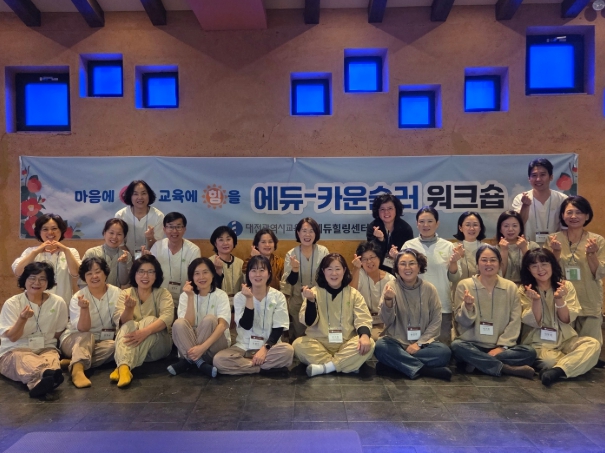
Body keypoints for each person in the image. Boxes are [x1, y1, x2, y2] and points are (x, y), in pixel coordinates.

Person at [451, 245, 537, 379]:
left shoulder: (510, 287)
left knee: (529, 352)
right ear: (477, 263)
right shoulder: (465, 285)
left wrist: (502, 347)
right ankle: (505, 368)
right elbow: (461, 322)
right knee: (457, 346)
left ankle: (478, 363)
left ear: (500, 263)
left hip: (500, 347)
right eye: (484, 260)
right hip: (472, 345)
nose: (488, 264)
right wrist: (467, 307)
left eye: (493, 260)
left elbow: (515, 320)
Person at [519, 248, 600, 386]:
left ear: (552, 265)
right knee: (548, 361)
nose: (540, 269)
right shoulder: (524, 290)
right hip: (539, 343)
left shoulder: (566, 286)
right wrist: (536, 301)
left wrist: (559, 298)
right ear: (528, 269)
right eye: (534, 266)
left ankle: (557, 371)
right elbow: (534, 321)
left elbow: (566, 319)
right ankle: (574, 363)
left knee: (593, 344)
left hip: (566, 340)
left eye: (544, 264)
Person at [374, 249, 452, 381]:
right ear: (397, 267)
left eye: (412, 263)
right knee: (380, 347)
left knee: (444, 352)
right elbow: (386, 320)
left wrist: (419, 344)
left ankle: (394, 365)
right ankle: (426, 370)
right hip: (396, 342)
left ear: (419, 266)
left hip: (423, 345)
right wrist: (388, 301)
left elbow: (436, 320)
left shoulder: (429, 289)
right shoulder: (391, 286)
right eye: (402, 264)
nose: (407, 268)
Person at [293, 253, 374, 377]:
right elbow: (308, 322)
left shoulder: (354, 294)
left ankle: (326, 367)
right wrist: (311, 301)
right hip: (319, 343)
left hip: (346, 343)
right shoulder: (313, 292)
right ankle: (347, 364)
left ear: (344, 270)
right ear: (323, 271)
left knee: (370, 342)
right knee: (298, 344)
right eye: (329, 269)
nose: (334, 273)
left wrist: (364, 336)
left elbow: (363, 318)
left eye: (337, 269)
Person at [213, 255, 293, 375]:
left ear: (269, 274)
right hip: (244, 347)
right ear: (248, 274)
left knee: (288, 351)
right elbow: (246, 325)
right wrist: (249, 299)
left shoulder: (278, 296)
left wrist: (265, 348)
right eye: (253, 270)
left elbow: (278, 328)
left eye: (262, 270)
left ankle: (247, 366)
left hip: (270, 347)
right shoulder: (240, 297)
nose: (257, 274)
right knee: (219, 360)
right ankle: (261, 368)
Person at [0, 262, 67, 397]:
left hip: (45, 348)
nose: (37, 282)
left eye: (42, 279)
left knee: (51, 358)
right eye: (32, 278)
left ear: (48, 282)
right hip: (15, 350)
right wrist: (22, 319)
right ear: (24, 280)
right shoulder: (13, 303)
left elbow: (58, 332)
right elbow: (12, 337)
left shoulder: (58, 302)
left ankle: (38, 385)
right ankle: (46, 375)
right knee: (25, 360)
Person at [545, 196, 605, 343]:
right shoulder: (553, 239)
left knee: (590, 345)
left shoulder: (597, 240)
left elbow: (599, 273)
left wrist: (592, 254)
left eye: (578, 212)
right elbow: (546, 272)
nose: (573, 216)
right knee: (564, 345)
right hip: (563, 301)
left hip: (589, 299)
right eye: (569, 212)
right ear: (562, 215)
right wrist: (556, 252)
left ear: (587, 216)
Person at [399, 206, 463, 345]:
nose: (425, 225)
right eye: (421, 221)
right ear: (417, 224)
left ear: (437, 223)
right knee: (413, 345)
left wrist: (453, 262)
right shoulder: (408, 246)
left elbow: (454, 278)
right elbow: (401, 275)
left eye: (430, 221)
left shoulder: (448, 246)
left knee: (441, 347)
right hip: (413, 305)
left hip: (441, 305)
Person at [111, 255, 173, 388]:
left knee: (150, 320)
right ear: (134, 274)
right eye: (141, 271)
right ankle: (124, 367)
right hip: (139, 351)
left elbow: (167, 317)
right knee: (130, 324)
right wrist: (129, 309)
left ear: (156, 275)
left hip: (159, 346)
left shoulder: (163, 293)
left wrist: (144, 332)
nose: (145, 276)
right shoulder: (126, 293)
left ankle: (122, 365)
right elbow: (122, 323)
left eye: (150, 272)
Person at [60, 257, 120, 388]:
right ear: (84, 278)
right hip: (75, 339)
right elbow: (83, 328)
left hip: (102, 342)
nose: (94, 276)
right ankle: (77, 371)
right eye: (89, 273)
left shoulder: (117, 293)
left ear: (105, 273)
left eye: (98, 272)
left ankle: (74, 361)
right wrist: (84, 309)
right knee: (87, 336)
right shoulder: (78, 297)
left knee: (116, 346)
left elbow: (120, 321)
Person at [168, 257, 231, 378]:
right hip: (190, 345)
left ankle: (188, 361)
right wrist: (190, 297)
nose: (201, 277)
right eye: (197, 273)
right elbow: (188, 324)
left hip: (214, 346)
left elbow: (222, 326)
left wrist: (202, 348)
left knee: (210, 319)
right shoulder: (185, 295)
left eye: (205, 272)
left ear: (212, 274)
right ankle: (199, 362)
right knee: (178, 323)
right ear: (191, 277)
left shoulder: (221, 295)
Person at [12, 213, 81, 307]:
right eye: (45, 229)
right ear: (39, 232)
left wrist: (65, 250)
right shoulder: (30, 251)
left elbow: (76, 273)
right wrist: (36, 252)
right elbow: (18, 272)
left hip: (62, 304)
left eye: (54, 228)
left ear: (61, 231)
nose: (50, 232)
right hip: (33, 305)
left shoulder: (71, 252)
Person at [281, 218, 329, 341]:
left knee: (318, 334)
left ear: (316, 233)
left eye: (311, 231)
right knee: (300, 337)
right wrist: (294, 269)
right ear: (298, 233)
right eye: (304, 231)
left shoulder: (323, 251)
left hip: (319, 299)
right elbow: (290, 282)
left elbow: (328, 277)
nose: (307, 235)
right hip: (298, 299)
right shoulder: (291, 254)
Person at [149, 212, 201, 304]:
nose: (174, 231)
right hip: (159, 298)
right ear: (164, 229)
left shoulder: (193, 250)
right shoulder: (157, 246)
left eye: (178, 227)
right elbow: (150, 272)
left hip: (185, 297)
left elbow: (196, 276)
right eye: (170, 227)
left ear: (184, 229)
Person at [511, 158, 568, 244]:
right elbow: (518, 224)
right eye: (534, 175)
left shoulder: (562, 199)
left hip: (555, 248)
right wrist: (525, 206)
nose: (538, 179)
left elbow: (567, 227)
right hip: (527, 247)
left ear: (551, 177)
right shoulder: (520, 199)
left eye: (542, 175)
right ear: (529, 179)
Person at [350, 241, 395, 339]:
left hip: (384, 323)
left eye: (372, 257)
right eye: (364, 259)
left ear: (379, 258)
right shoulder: (358, 274)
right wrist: (356, 269)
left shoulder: (390, 279)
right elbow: (350, 295)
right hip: (363, 322)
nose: (369, 262)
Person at [115, 180, 164, 258]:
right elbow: (119, 243)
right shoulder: (121, 215)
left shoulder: (158, 216)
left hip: (151, 259)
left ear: (149, 195)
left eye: (143, 193)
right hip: (126, 258)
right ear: (130, 196)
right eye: (135, 194)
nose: (140, 197)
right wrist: (130, 259)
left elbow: (157, 246)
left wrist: (150, 238)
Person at [78, 218, 132, 289]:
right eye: (111, 233)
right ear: (104, 233)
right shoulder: (92, 253)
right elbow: (82, 280)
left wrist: (123, 263)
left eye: (119, 234)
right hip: (93, 294)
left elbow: (124, 282)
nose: (114, 237)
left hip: (115, 294)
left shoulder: (126, 256)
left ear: (124, 237)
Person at [366, 193, 414, 273]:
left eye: (390, 208)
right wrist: (380, 240)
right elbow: (371, 253)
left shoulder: (405, 229)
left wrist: (398, 255)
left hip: (400, 270)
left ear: (396, 209)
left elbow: (410, 254)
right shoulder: (373, 227)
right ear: (377, 211)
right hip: (377, 270)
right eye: (382, 209)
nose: (386, 212)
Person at [496, 210, 539, 285]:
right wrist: (504, 251)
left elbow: (538, 270)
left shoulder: (532, 246)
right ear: (500, 229)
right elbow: (498, 275)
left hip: (529, 287)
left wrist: (524, 249)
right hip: (505, 288)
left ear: (520, 228)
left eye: (514, 226)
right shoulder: (494, 250)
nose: (510, 229)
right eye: (506, 226)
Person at [209, 226, 244, 305]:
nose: (225, 243)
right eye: (221, 240)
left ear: (233, 241)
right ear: (215, 243)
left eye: (228, 239)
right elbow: (209, 289)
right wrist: (217, 273)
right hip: (217, 305)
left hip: (238, 306)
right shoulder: (209, 262)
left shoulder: (240, 263)